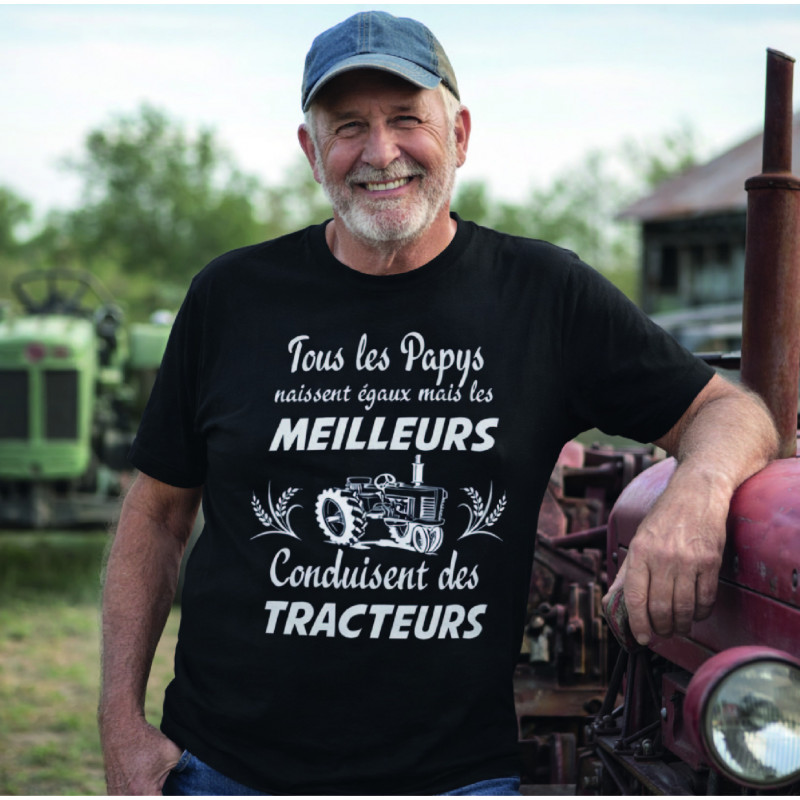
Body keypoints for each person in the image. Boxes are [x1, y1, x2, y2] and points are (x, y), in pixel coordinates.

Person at [98, 10, 779, 796]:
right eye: (348, 125)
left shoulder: (544, 294)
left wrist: (694, 494)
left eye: (406, 120)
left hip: (453, 777)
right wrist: (120, 723)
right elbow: (155, 513)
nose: (380, 152)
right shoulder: (231, 296)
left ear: (458, 133)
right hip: (226, 768)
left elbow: (732, 411)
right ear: (310, 150)